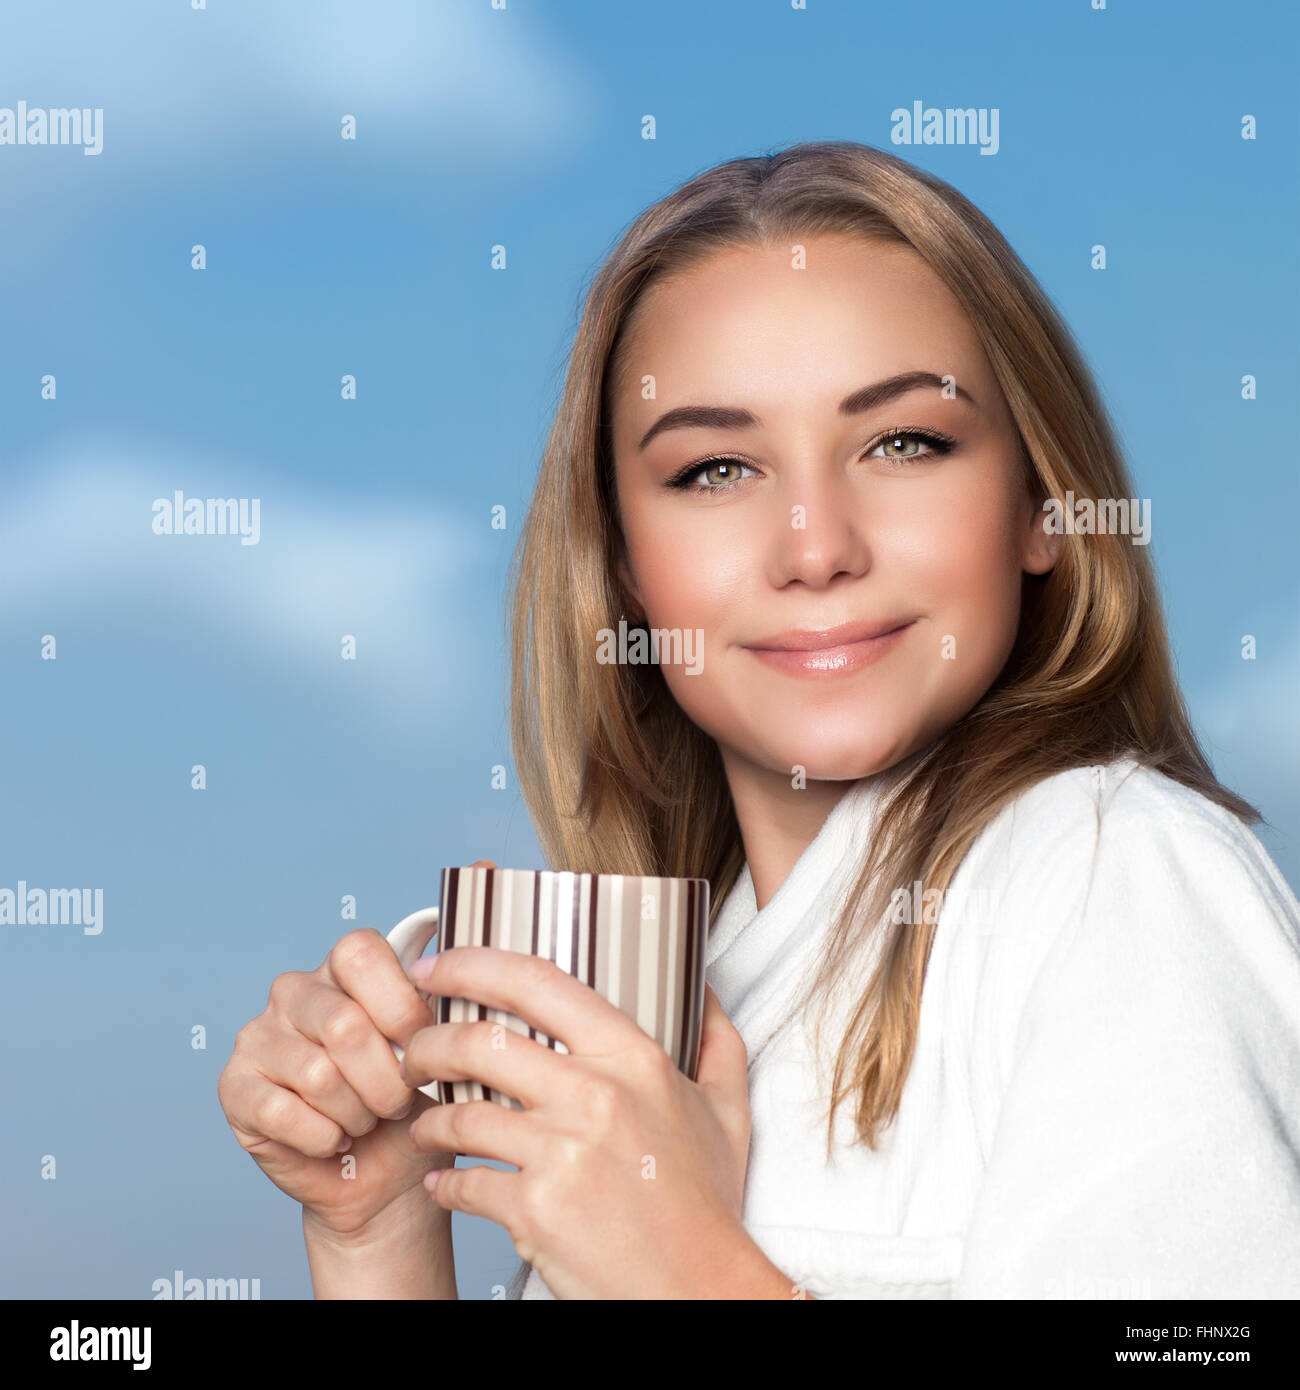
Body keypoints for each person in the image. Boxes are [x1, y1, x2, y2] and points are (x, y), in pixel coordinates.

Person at [218, 141, 1300, 1300]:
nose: (816, 547)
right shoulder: (671, 1000)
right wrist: (376, 1231)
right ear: (623, 565)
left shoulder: (1110, 874)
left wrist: (685, 1274)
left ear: (1041, 507)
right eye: (716, 470)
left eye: (904, 443)